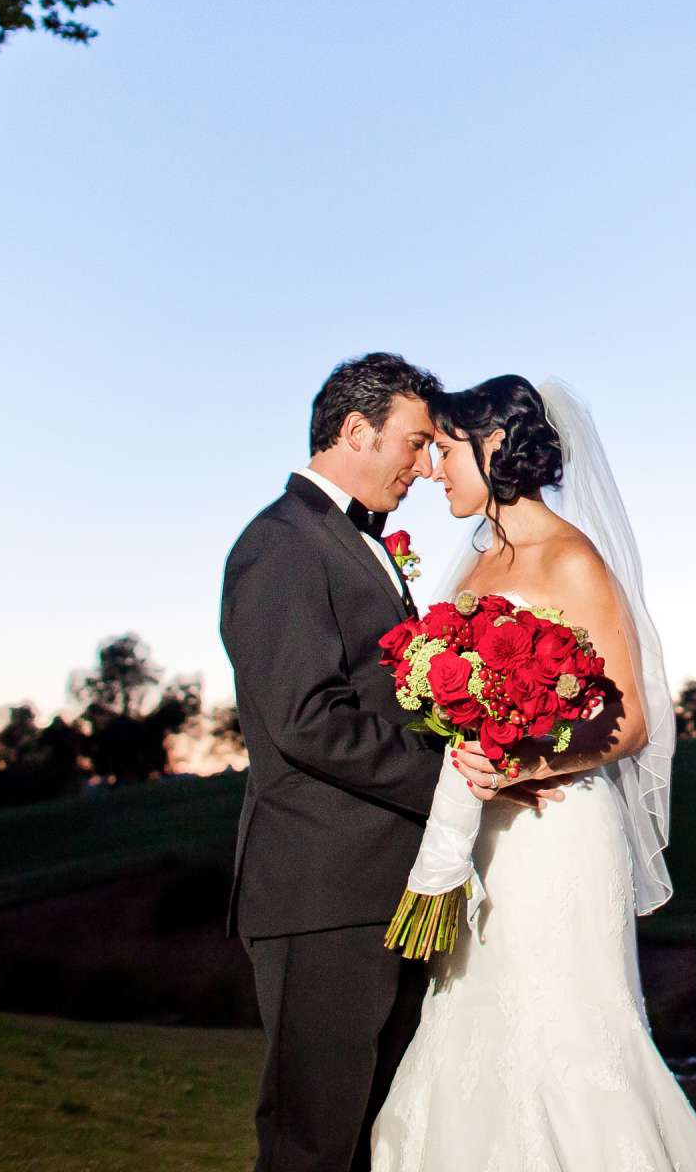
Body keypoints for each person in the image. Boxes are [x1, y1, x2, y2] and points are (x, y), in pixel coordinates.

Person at [370, 375, 696, 1171]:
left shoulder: (571, 560)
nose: (430, 470)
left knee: (565, 1041)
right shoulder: (472, 566)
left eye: (444, 450)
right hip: (481, 839)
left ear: (494, 448)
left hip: (558, 832)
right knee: (466, 1028)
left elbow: (630, 721)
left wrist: (524, 758)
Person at [219, 352, 527, 1172]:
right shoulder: (281, 544)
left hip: (380, 885)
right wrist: (450, 779)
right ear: (356, 432)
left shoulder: (353, 542)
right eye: (415, 444)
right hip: (322, 893)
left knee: (375, 1140)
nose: (427, 467)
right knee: (314, 1143)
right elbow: (305, 720)